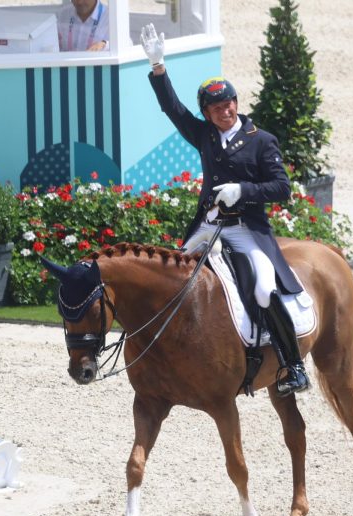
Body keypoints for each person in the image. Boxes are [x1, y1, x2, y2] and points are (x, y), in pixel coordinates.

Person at [140, 23, 310, 397]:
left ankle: (293, 365)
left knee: (265, 290)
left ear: (237, 102)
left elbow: (281, 188)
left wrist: (243, 190)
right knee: (170, 282)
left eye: (229, 103)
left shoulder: (261, 141)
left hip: (247, 231)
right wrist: (158, 66)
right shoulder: (203, 135)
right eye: (217, 107)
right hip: (209, 228)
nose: (225, 110)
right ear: (207, 111)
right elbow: (172, 108)